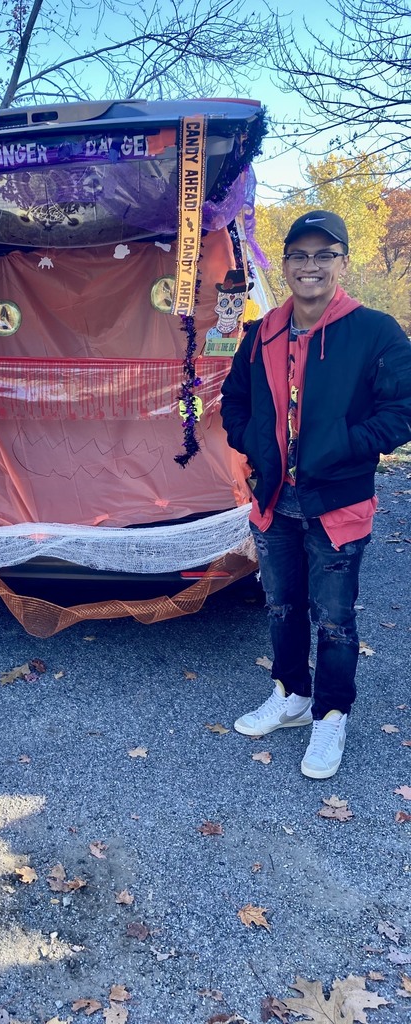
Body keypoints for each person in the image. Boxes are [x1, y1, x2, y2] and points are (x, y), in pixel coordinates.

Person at [221, 210, 411, 779]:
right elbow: (234, 401)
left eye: (323, 254)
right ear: (285, 265)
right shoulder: (262, 333)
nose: (311, 266)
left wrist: (343, 445)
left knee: (333, 618)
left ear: (342, 263)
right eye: (299, 255)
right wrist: (254, 440)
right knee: (281, 607)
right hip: (274, 500)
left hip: (339, 503)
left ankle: (331, 714)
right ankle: (292, 696)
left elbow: (400, 412)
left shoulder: (376, 331)